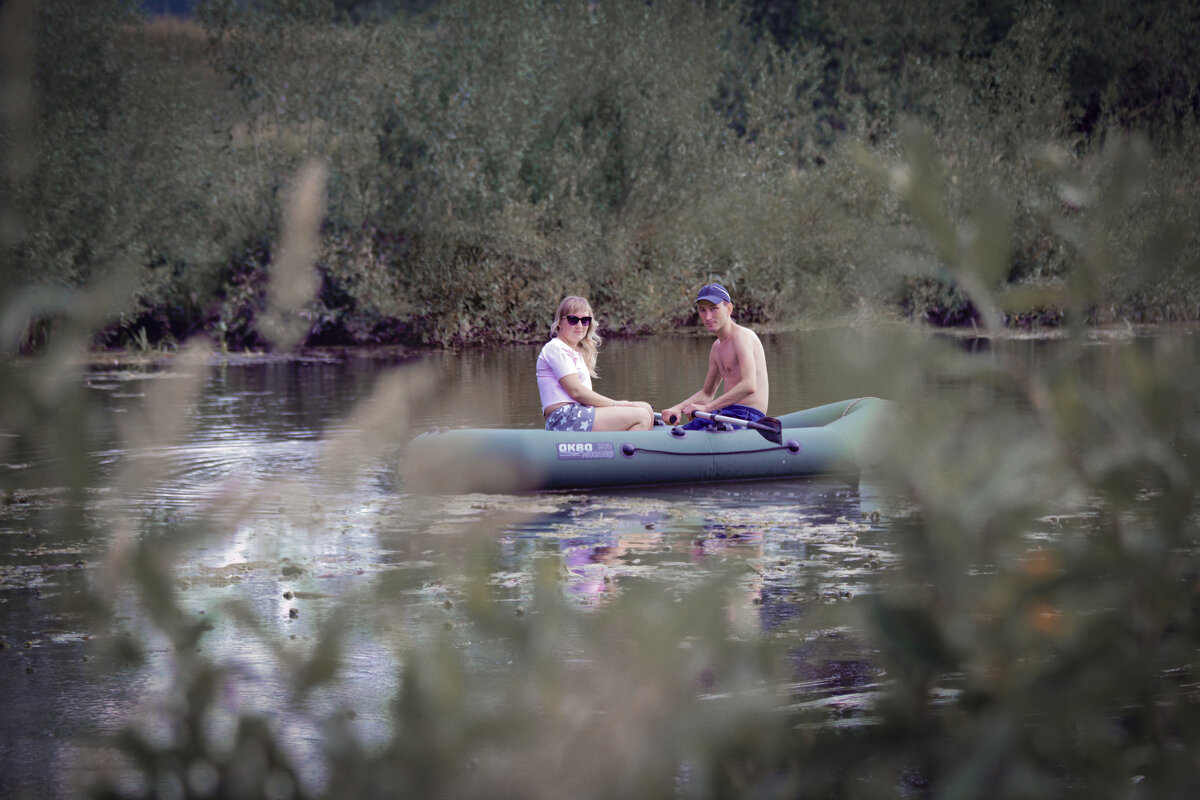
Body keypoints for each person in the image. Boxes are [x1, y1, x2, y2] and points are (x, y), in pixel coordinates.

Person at [537, 296, 655, 432]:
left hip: (580, 412)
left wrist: (616, 405)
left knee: (645, 408)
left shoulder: (576, 352)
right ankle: (627, 451)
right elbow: (576, 392)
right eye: (573, 320)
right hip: (563, 418)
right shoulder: (556, 348)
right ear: (560, 322)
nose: (580, 326)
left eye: (585, 320)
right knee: (641, 416)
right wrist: (615, 404)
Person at [661, 283, 770, 430]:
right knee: (682, 431)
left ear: (729, 309)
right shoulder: (716, 347)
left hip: (748, 416)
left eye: (714, 309)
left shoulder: (742, 337)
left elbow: (749, 385)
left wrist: (708, 408)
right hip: (726, 414)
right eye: (702, 310)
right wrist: (678, 408)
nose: (708, 317)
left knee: (687, 433)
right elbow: (707, 394)